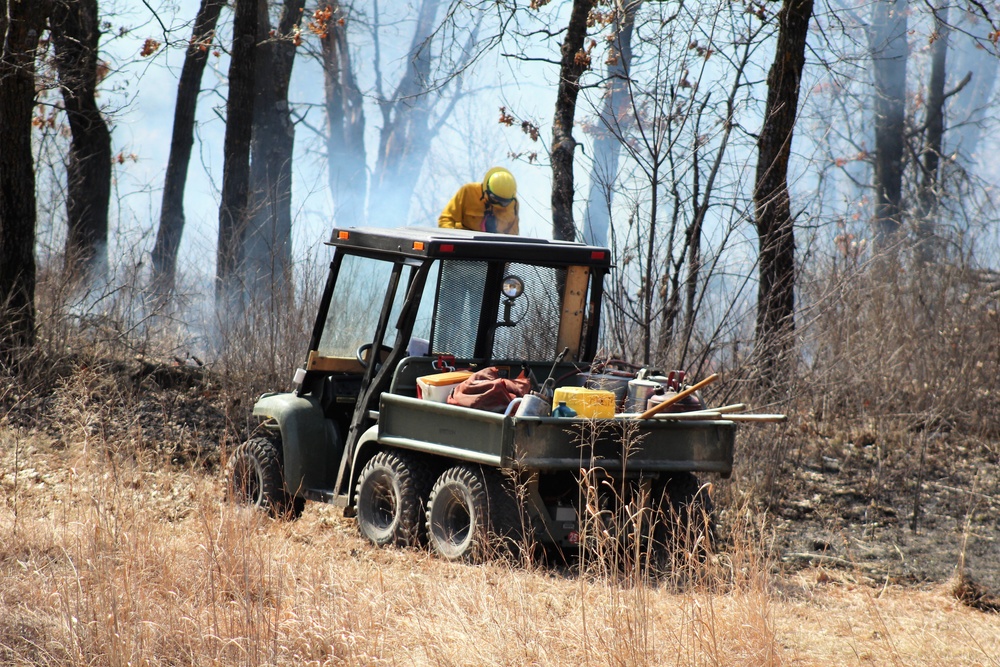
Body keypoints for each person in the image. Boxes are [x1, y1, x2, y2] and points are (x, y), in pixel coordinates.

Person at [438, 166, 519, 234]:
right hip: (464, 245)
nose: (498, 204)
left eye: (504, 202)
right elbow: (446, 219)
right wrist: (453, 240)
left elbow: (513, 236)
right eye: (494, 199)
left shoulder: (513, 205)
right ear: (486, 190)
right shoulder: (468, 192)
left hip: (494, 249)